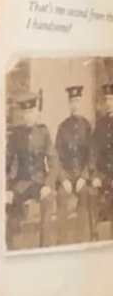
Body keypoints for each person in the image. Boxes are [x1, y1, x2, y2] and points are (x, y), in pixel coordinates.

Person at [6, 93, 56, 247]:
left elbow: (53, 162)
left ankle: (45, 246)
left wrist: (48, 184)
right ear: (22, 114)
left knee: (48, 199)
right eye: (25, 112)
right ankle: (11, 248)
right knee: (9, 207)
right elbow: (7, 162)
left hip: (39, 183)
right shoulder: (16, 134)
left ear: (36, 112)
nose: (28, 116)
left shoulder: (43, 132)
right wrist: (7, 188)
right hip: (20, 184)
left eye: (31, 112)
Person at [54, 85, 94, 242]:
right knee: (61, 196)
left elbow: (91, 155)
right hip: (67, 174)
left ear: (81, 102)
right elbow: (56, 157)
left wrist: (84, 177)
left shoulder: (87, 126)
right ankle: (62, 241)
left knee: (85, 194)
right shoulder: (62, 127)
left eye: (77, 101)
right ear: (68, 104)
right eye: (72, 101)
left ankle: (82, 240)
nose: (75, 105)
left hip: (82, 175)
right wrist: (63, 179)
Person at [92, 83, 113, 235]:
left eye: (111, 99)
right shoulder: (100, 124)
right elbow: (94, 152)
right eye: (106, 100)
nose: (108, 103)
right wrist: (95, 175)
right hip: (103, 175)